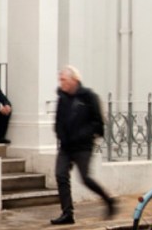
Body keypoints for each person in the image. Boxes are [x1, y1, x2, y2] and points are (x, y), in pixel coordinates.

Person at [48, 65, 113, 226]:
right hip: (66, 146)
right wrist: (61, 135)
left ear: (74, 80)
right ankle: (67, 213)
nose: (61, 83)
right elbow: (58, 121)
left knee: (85, 178)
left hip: (83, 146)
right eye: (60, 80)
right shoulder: (62, 98)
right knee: (61, 175)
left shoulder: (88, 97)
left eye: (64, 79)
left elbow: (98, 123)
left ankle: (109, 200)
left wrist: (83, 135)